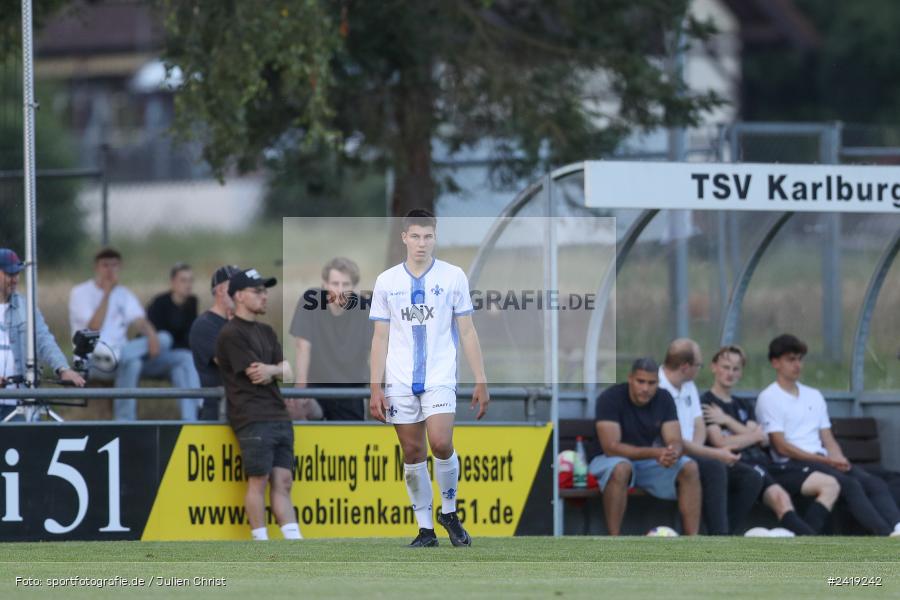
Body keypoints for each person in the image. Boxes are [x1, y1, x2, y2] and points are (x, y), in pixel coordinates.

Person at [369, 209, 490, 548]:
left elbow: (466, 330)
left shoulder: (453, 277)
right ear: (404, 237)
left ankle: (448, 511)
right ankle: (425, 530)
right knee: (411, 452)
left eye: (428, 236)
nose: (422, 243)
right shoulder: (386, 281)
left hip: (439, 375)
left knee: (440, 442)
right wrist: (375, 386)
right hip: (399, 379)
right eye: (415, 236)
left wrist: (480, 378)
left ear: (435, 238)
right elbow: (380, 337)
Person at [756, 334, 900, 537]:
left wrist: (838, 457)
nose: (797, 365)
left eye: (799, 359)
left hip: (823, 460)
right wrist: (825, 459)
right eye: (791, 359)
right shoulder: (769, 397)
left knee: (873, 482)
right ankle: (884, 535)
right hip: (793, 464)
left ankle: (897, 527)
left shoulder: (813, 395)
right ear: (775, 362)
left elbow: (827, 436)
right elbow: (781, 446)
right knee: (850, 484)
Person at [702, 345, 840, 535]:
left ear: (741, 372)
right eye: (726, 367)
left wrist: (727, 421)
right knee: (779, 498)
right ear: (714, 367)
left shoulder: (743, 405)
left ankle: (807, 542)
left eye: (736, 369)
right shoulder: (708, 403)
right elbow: (721, 443)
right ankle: (811, 542)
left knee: (827, 484)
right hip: (738, 466)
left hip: (765, 463)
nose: (730, 373)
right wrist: (750, 436)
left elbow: (762, 439)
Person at [216, 267, 300, 541]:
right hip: (252, 416)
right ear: (239, 296)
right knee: (258, 481)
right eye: (258, 291)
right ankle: (261, 540)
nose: (264, 296)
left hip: (278, 414)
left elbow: (287, 371)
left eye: (265, 291)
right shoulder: (231, 333)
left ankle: (293, 540)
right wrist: (275, 369)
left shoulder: (266, 330)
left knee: (283, 481)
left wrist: (273, 370)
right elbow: (255, 373)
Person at [68, 248, 200, 421]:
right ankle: (125, 421)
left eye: (114, 266)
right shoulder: (80, 292)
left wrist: (152, 335)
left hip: (124, 353)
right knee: (133, 362)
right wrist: (107, 293)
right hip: (95, 359)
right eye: (105, 265)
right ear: (96, 267)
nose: (110, 270)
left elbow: (140, 320)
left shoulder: (124, 294)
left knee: (178, 354)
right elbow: (93, 327)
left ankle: (194, 419)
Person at [658, 338, 764, 535]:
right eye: (699, 364)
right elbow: (677, 441)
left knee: (752, 477)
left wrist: (700, 452)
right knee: (714, 467)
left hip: (695, 452)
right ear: (685, 366)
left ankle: (723, 536)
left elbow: (699, 426)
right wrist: (712, 453)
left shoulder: (688, 385)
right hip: (669, 455)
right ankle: (719, 536)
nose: (701, 368)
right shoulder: (657, 388)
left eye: (736, 368)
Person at [590, 357, 701, 536]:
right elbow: (611, 447)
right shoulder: (610, 398)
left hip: (646, 462)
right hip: (606, 460)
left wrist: (673, 452)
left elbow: (675, 439)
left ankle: (692, 542)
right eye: (640, 381)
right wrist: (657, 452)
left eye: (652, 383)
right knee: (621, 467)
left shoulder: (664, 398)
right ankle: (613, 540)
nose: (646, 388)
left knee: (690, 467)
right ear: (630, 379)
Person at [1, 248, 85, 420]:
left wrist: (62, 369)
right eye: (9, 274)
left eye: (17, 274)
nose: (15, 279)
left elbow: (44, 339)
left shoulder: (26, 307)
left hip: (19, 405)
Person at [289, 257, 373, 421]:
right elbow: (302, 346)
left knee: (350, 443)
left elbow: (375, 350)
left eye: (346, 284)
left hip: (351, 390)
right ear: (325, 284)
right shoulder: (310, 300)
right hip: (314, 386)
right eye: (335, 284)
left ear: (354, 287)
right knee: (302, 428)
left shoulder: (365, 308)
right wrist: (301, 388)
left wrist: (376, 389)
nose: (340, 290)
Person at [147, 263, 202, 420]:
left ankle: (191, 423)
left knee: (180, 372)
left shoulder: (192, 302)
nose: (188, 285)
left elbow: (189, 335)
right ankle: (201, 402)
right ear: (172, 282)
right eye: (183, 280)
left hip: (176, 359)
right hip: (156, 357)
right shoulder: (159, 303)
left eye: (190, 280)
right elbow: (156, 338)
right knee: (186, 357)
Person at [189, 265, 240, 421]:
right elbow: (234, 363)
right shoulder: (205, 325)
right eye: (235, 286)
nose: (240, 292)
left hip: (240, 408)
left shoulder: (239, 323)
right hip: (216, 412)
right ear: (220, 290)